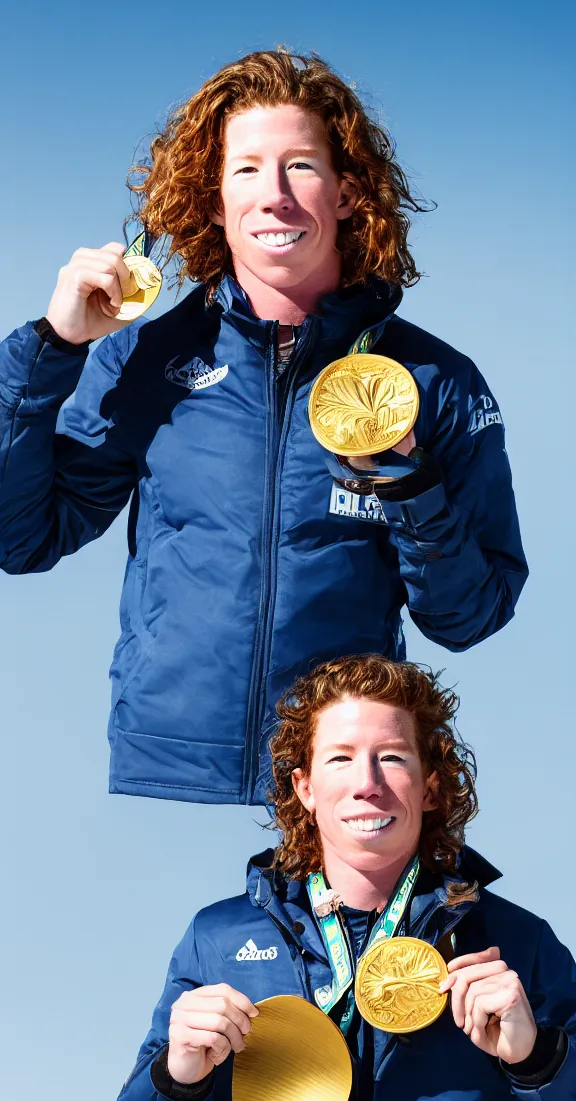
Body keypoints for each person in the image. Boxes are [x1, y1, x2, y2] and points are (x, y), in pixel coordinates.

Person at [0, 52, 527, 806]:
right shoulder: (144, 361)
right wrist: (52, 348)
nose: (274, 196)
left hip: (339, 796)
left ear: (347, 193)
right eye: (246, 170)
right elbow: (21, 539)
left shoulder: (431, 381)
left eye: (301, 167)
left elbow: (469, 616)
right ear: (213, 201)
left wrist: (410, 485)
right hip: (165, 783)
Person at [113, 654, 576, 1101]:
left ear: (431, 786)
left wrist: (539, 1058)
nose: (367, 784)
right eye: (340, 758)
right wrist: (178, 1073)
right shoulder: (219, 939)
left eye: (392, 757)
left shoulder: (513, 943)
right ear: (304, 787)